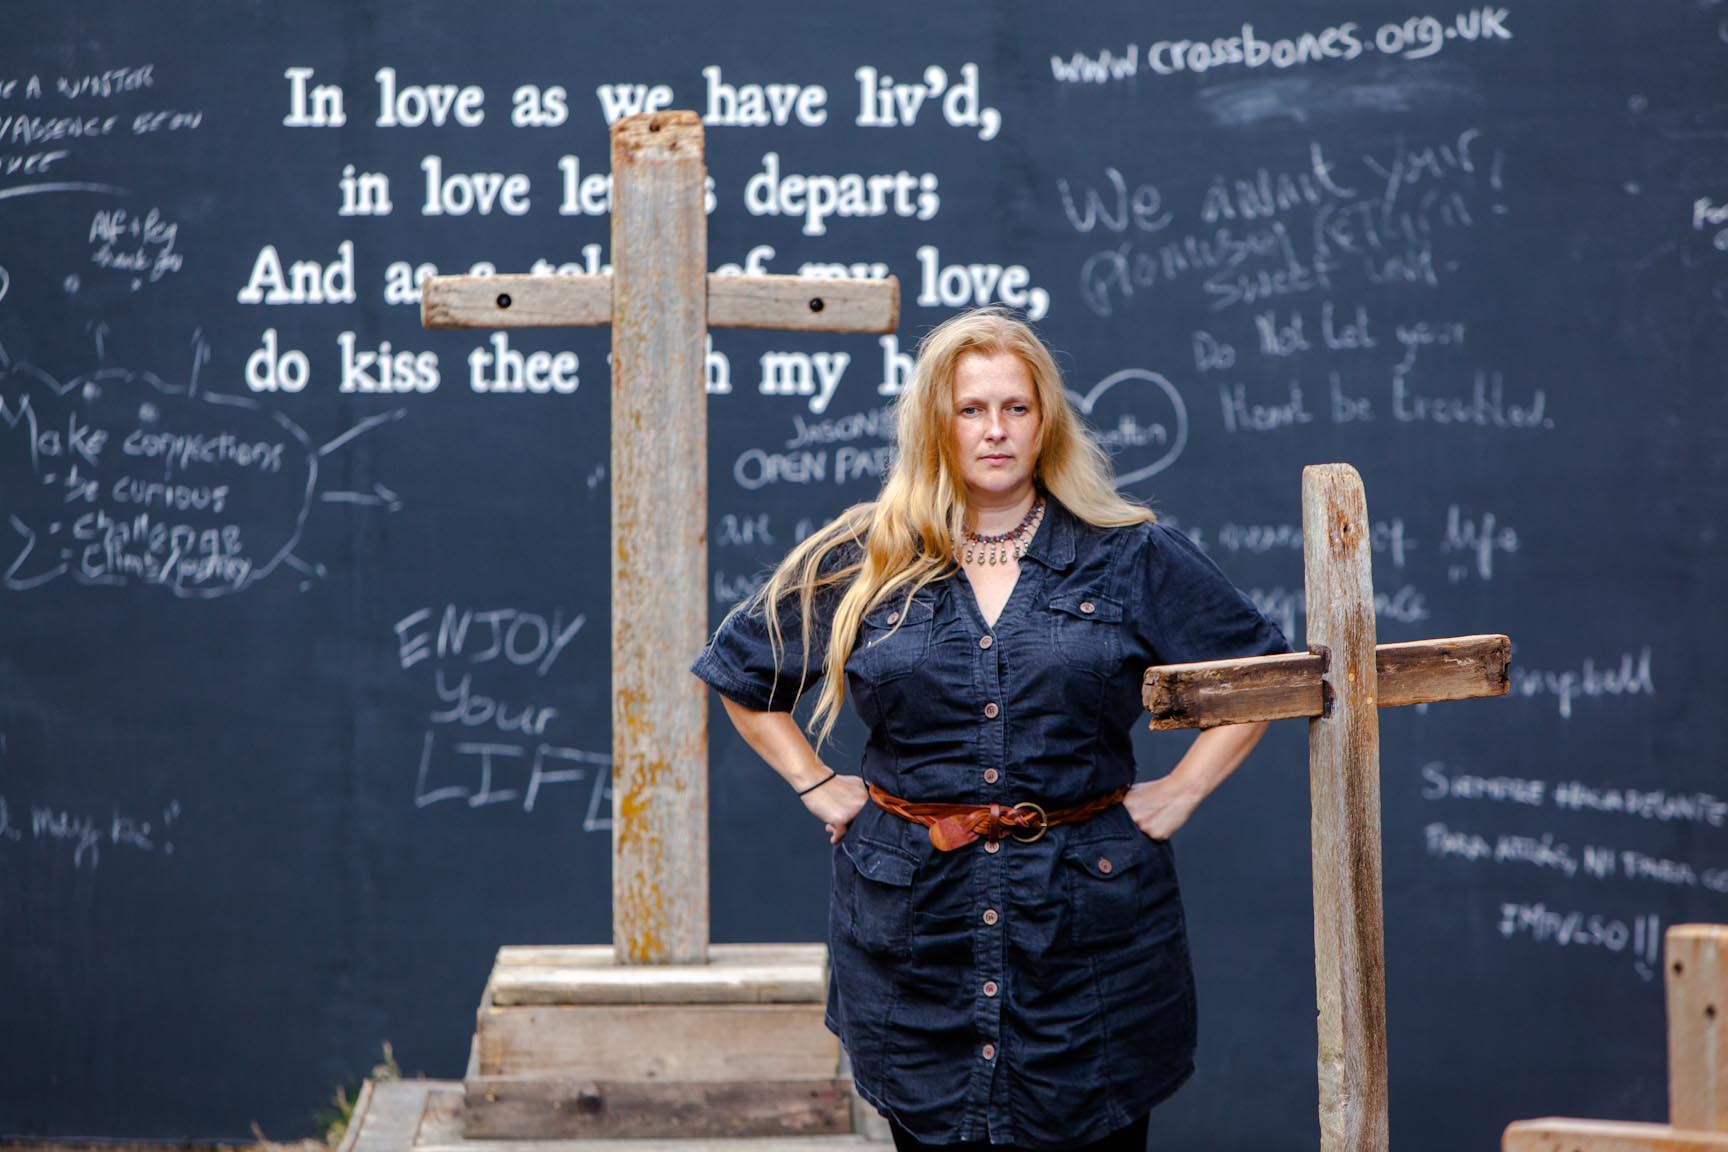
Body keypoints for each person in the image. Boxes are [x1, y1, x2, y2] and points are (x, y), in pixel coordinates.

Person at [690, 305, 1291, 1151]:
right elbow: (741, 675)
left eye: (1016, 407)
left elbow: (1262, 677)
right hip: (918, 941)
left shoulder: (1128, 553)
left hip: (1088, 943)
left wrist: (1184, 788)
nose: (995, 431)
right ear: (937, 421)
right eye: (971, 410)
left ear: (1045, 421)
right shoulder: (872, 553)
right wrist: (820, 785)